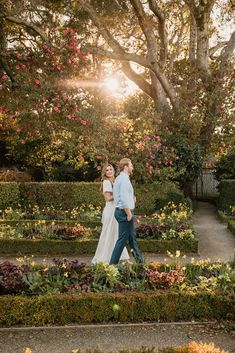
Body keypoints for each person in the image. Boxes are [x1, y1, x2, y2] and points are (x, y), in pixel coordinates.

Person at [92, 163, 129, 264]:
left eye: (110, 169)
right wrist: (120, 194)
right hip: (110, 211)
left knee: (117, 234)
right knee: (108, 234)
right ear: (105, 173)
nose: (109, 171)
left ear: (114, 170)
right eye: (107, 170)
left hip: (116, 210)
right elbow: (108, 198)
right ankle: (104, 257)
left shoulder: (116, 181)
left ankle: (123, 258)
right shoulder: (106, 182)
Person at [110, 158, 144, 265]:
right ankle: (112, 265)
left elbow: (120, 196)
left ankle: (140, 262)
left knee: (132, 239)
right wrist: (129, 213)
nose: (132, 167)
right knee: (122, 241)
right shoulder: (124, 179)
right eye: (131, 165)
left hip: (123, 211)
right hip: (125, 213)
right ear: (126, 167)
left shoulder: (120, 178)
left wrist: (132, 200)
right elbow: (123, 199)